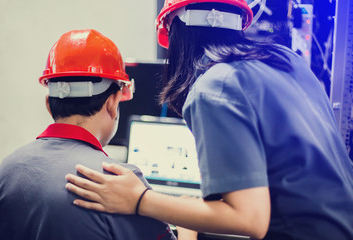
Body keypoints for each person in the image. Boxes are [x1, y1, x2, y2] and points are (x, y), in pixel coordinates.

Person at [65, 1, 353, 240]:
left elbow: (250, 218)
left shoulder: (216, 87)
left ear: (175, 34)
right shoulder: (286, 60)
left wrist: (140, 200)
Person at [0, 29, 177, 240]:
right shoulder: (119, 181)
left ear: (49, 105)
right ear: (112, 104)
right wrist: (189, 232)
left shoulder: (8, 169)